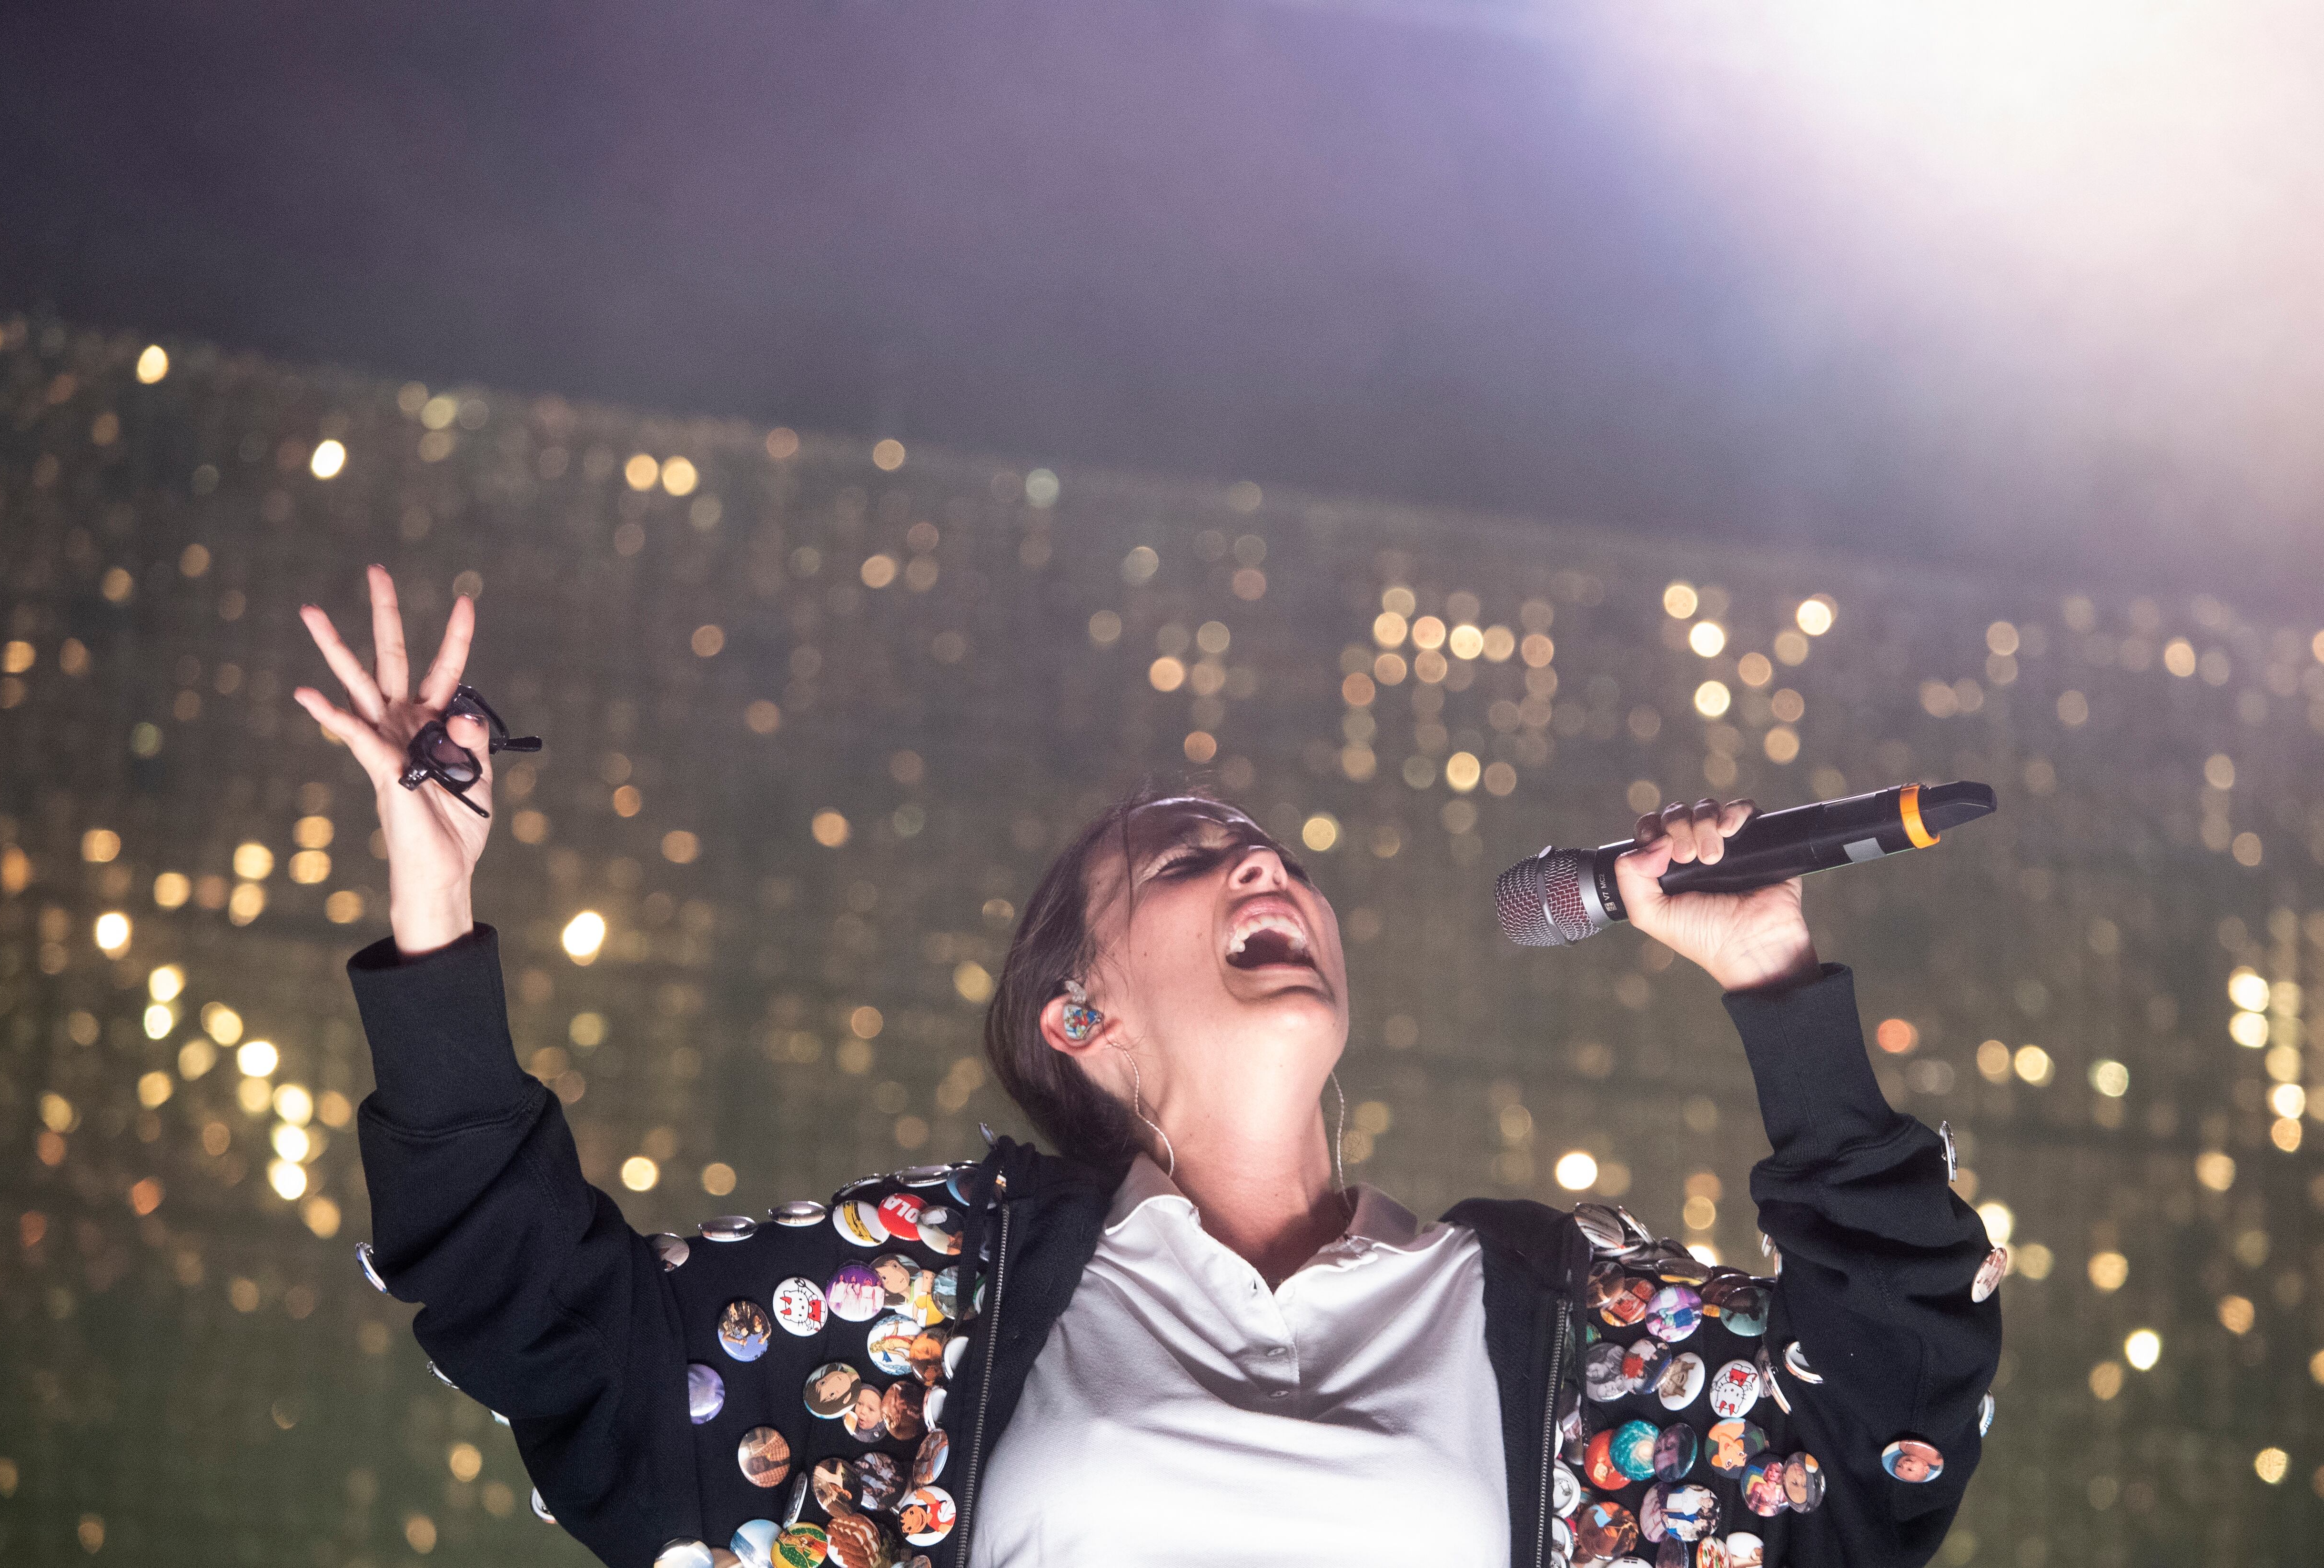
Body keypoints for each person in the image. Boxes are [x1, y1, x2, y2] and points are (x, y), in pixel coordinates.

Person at [299, 571, 2001, 1568]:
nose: (1267, 874)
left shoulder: (1535, 1317)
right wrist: (436, 898)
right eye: (1192, 862)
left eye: (1277, 859)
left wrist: (1775, 978)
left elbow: (1887, 1421)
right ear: (1078, 1015)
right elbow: (560, 1340)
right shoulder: (944, 1294)